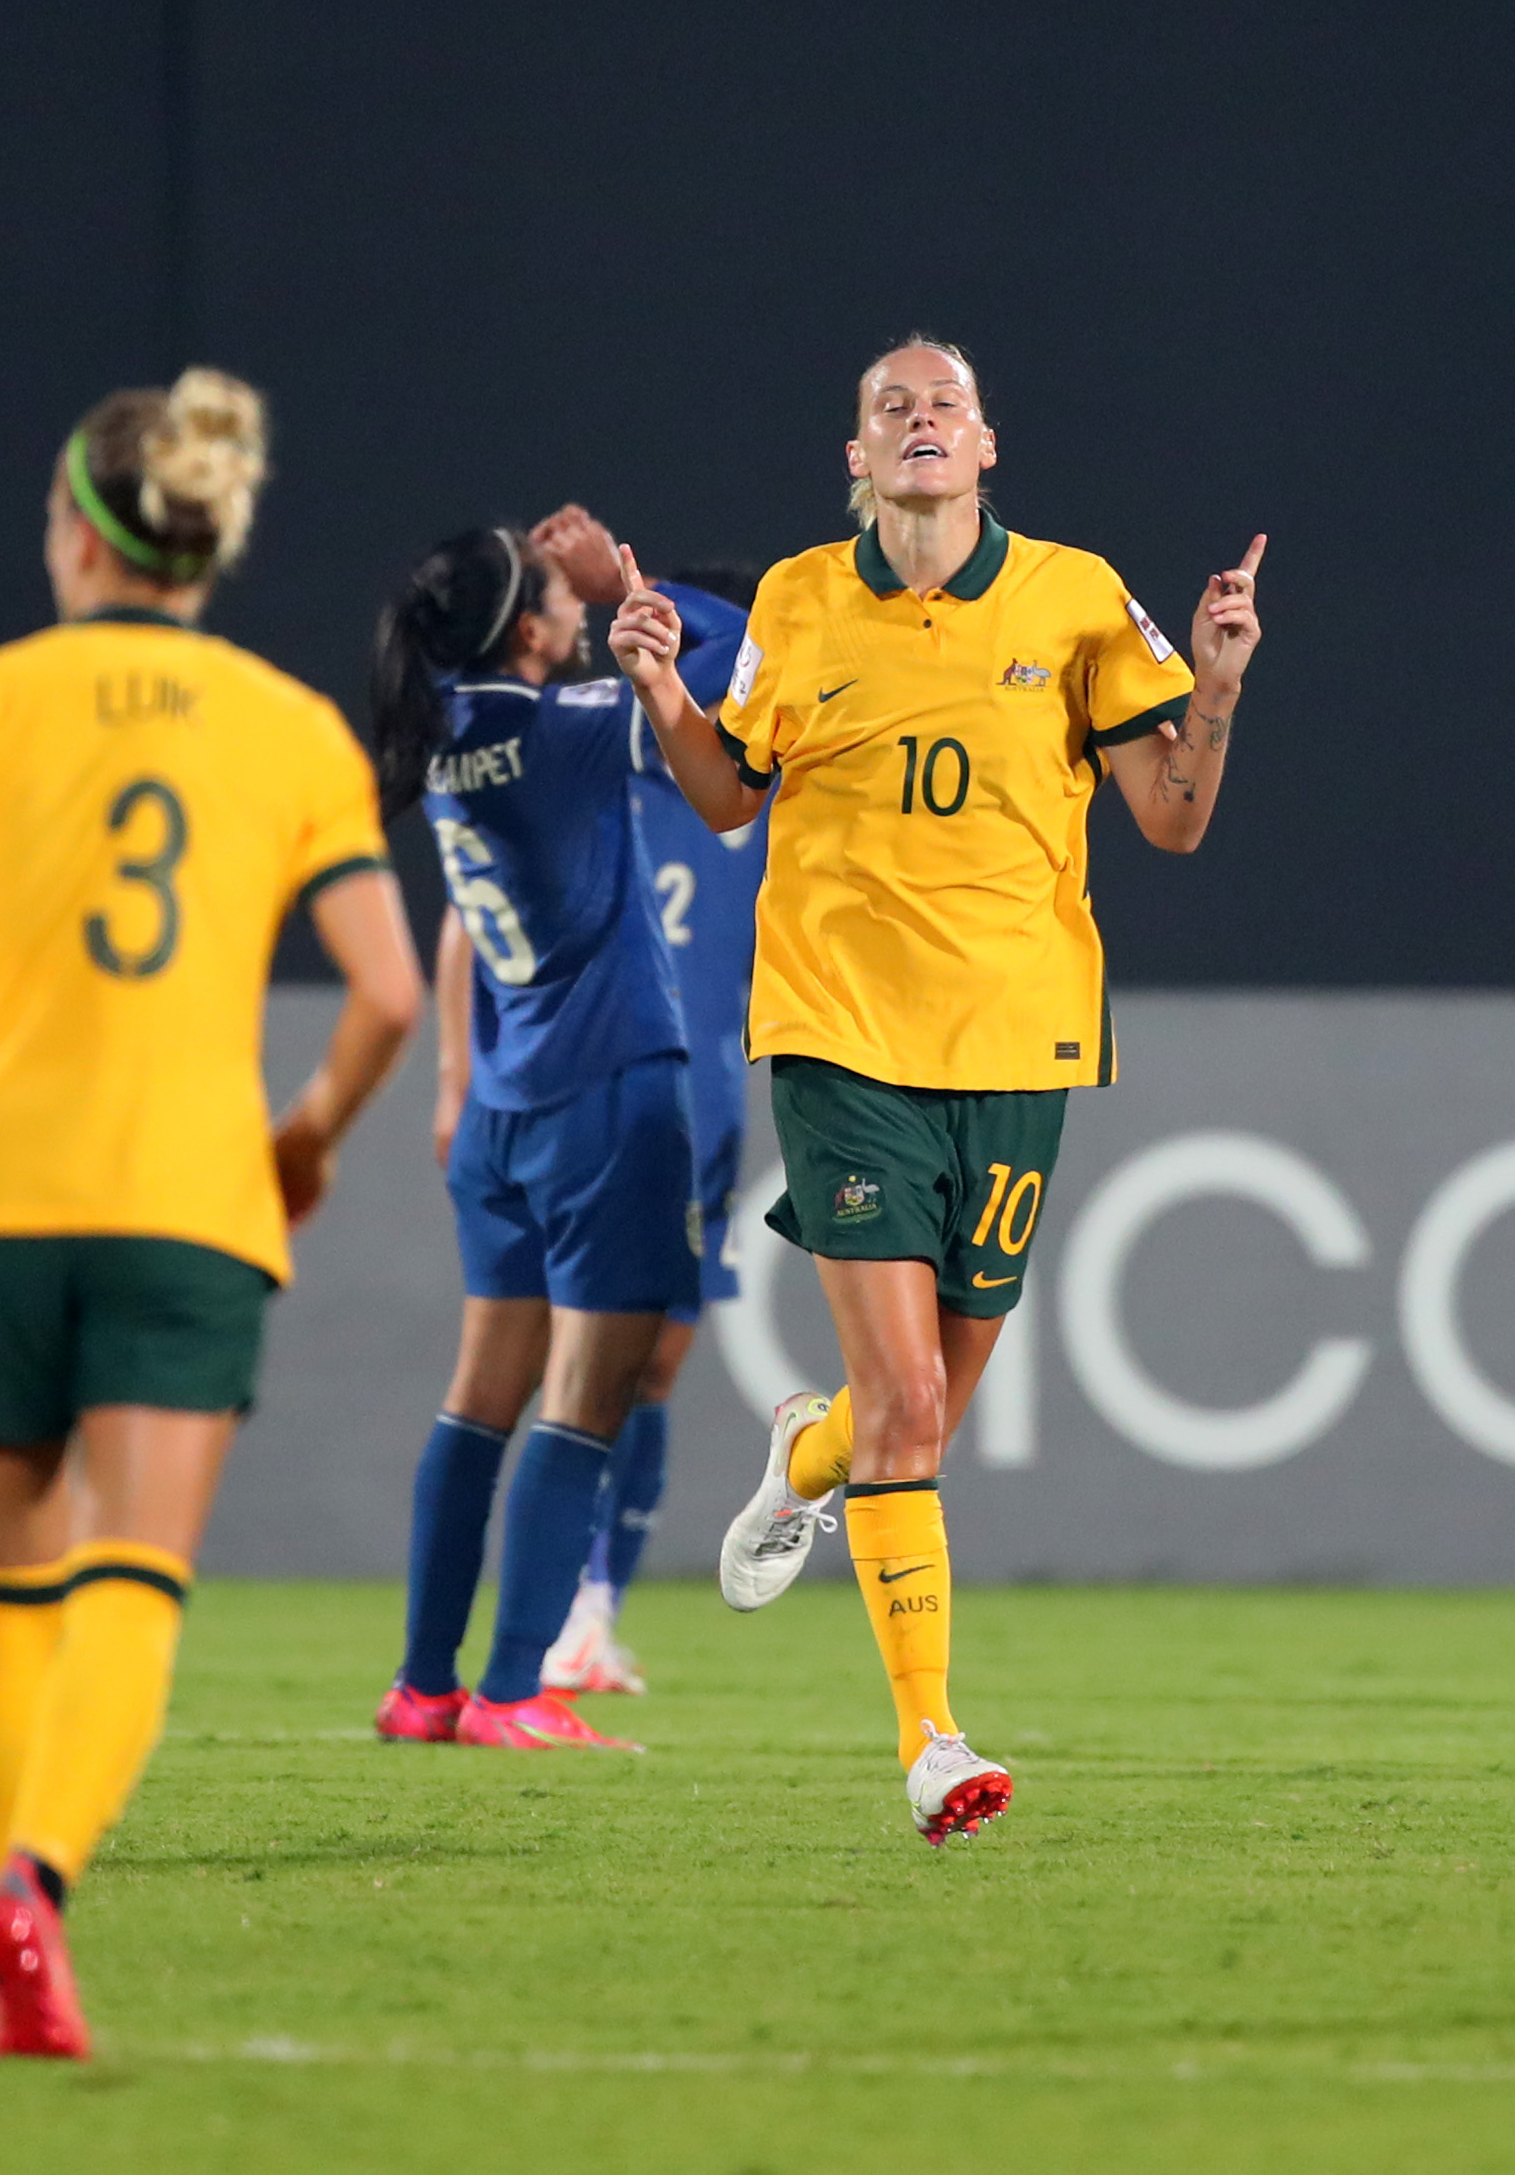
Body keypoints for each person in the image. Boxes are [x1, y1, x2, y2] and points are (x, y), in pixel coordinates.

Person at [0, 371, 422, 2058]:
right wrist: (313, 1129)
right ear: (205, 545)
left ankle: (2, 1965)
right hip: (191, 1191)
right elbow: (391, 991)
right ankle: (35, 1886)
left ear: (75, 528)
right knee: (131, 1570)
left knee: (3, 1586)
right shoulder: (292, 730)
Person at [613, 337, 1264, 1843]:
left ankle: (808, 1451)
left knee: (921, 1419)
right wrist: (661, 687)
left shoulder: (1080, 597)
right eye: (890, 407)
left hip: (1022, 1041)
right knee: (910, 1401)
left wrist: (1217, 690)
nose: (920, 421)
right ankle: (932, 1742)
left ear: (988, 448)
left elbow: (1172, 820)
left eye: (945, 406)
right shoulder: (795, 597)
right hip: (843, 1035)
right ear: (857, 456)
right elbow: (726, 797)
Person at [368, 523, 699, 1752]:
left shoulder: (439, 729)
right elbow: (724, 694)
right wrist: (644, 601)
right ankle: (510, 1691)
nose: (576, 609)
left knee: (476, 1403)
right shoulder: (560, 729)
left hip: (501, 1105)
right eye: (560, 596)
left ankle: (421, 1683)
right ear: (531, 630)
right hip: (604, 1093)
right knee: (584, 1401)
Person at [531, 517, 770, 1700]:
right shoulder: (608, 746)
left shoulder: (751, 774)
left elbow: (745, 660)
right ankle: (553, 1608)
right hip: (601, 1076)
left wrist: (635, 588)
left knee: (649, 1368)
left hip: (693, 1091)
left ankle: (587, 1610)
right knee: (583, 1358)